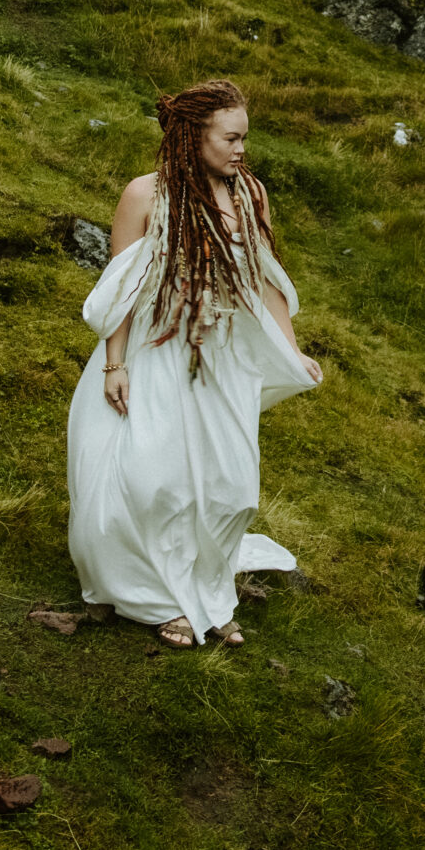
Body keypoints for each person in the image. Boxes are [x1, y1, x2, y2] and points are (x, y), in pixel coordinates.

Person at [66, 78, 324, 648]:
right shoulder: (145, 196)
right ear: (193, 135)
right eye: (230, 139)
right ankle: (160, 601)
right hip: (156, 352)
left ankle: (208, 592)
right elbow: (121, 291)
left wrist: (292, 346)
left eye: (244, 140)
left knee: (230, 487)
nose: (240, 151)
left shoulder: (249, 195)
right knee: (155, 481)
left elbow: (266, 280)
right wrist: (115, 367)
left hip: (222, 356)